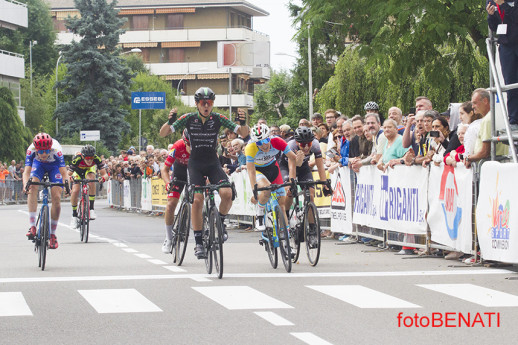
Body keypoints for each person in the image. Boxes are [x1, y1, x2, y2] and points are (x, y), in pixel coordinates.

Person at [159, 87, 249, 259]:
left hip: (212, 162)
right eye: (203, 103)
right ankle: (199, 243)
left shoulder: (218, 118)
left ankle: (219, 223)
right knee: (198, 199)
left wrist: (243, 123)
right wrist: (169, 122)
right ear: (197, 104)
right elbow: (163, 134)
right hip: (195, 164)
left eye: (210, 102)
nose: (206, 106)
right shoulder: (188, 118)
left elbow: (244, 134)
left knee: (227, 193)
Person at [279, 127, 331, 235]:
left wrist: (324, 183)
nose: (306, 147)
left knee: (310, 195)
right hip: (286, 167)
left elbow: (320, 165)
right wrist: (291, 185)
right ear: (297, 142)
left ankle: (312, 229)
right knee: (289, 192)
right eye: (303, 145)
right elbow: (292, 168)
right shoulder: (291, 145)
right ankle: (286, 215)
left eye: (309, 144)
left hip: (303, 168)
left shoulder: (316, 144)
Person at [245, 123, 296, 231]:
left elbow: (292, 158)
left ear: (269, 138)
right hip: (258, 170)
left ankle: (285, 235)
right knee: (266, 188)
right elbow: (251, 171)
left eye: (265, 141)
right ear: (255, 142)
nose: (263, 145)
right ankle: (259, 214)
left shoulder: (277, 141)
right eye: (259, 142)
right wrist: (255, 191)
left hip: (273, 167)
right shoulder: (250, 148)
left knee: (281, 205)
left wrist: (292, 180)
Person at [23, 133, 69, 249]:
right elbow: (26, 172)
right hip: (38, 166)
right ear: (36, 149)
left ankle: (53, 234)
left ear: (50, 149)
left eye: (46, 151)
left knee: (56, 197)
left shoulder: (57, 150)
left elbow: (64, 173)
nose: (44, 154)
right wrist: (25, 184)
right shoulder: (31, 150)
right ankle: (32, 226)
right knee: (32, 186)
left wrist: (67, 186)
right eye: (41, 152)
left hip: (54, 167)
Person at [487, 0, 518, 131]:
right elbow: (495, 27)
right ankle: (514, 120)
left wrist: (503, 4)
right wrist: (491, 15)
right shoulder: (491, 1)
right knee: (510, 84)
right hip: (506, 46)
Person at [160, 129, 191, 253]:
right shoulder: (177, 146)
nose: (190, 147)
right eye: (188, 143)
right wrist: (168, 183)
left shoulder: (200, 146)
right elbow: (165, 169)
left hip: (194, 171)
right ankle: (168, 238)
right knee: (171, 204)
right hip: (180, 172)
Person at [68, 145, 109, 228]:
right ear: (83, 156)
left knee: (91, 180)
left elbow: (105, 174)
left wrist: (103, 178)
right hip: (77, 173)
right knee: (75, 190)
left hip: (89, 171)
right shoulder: (77, 159)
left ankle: (91, 209)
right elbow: (67, 175)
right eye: (87, 158)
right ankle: (74, 215)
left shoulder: (97, 158)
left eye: (91, 158)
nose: (90, 160)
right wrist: (69, 182)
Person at [466, 88, 509, 165]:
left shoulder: (488, 120)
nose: (472, 106)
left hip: (489, 167)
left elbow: (485, 152)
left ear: (485, 101)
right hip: (497, 164)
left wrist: (469, 158)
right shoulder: (498, 116)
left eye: (475, 103)